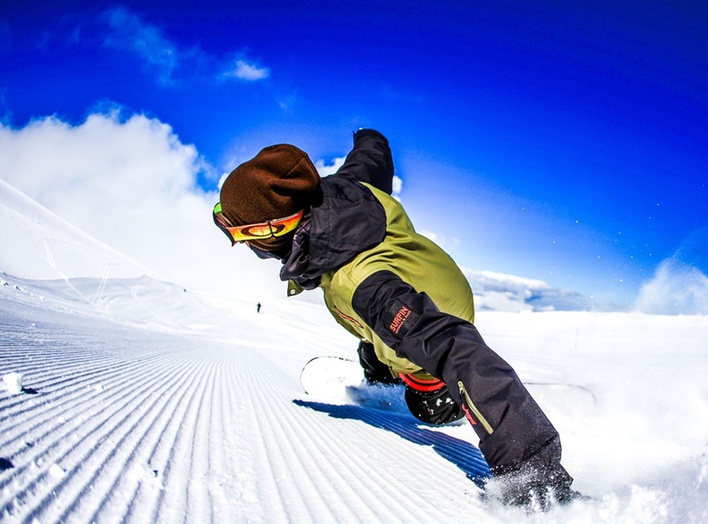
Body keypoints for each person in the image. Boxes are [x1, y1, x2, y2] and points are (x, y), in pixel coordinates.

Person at [212, 129, 577, 508]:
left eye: (241, 233)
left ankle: (449, 396)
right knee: (371, 349)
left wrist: (534, 478)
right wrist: (370, 137)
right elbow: (370, 161)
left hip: (431, 317)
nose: (240, 243)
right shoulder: (342, 190)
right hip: (429, 280)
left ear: (274, 230)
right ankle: (388, 375)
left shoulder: (363, 286)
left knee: (426, 404)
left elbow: (454, 347)